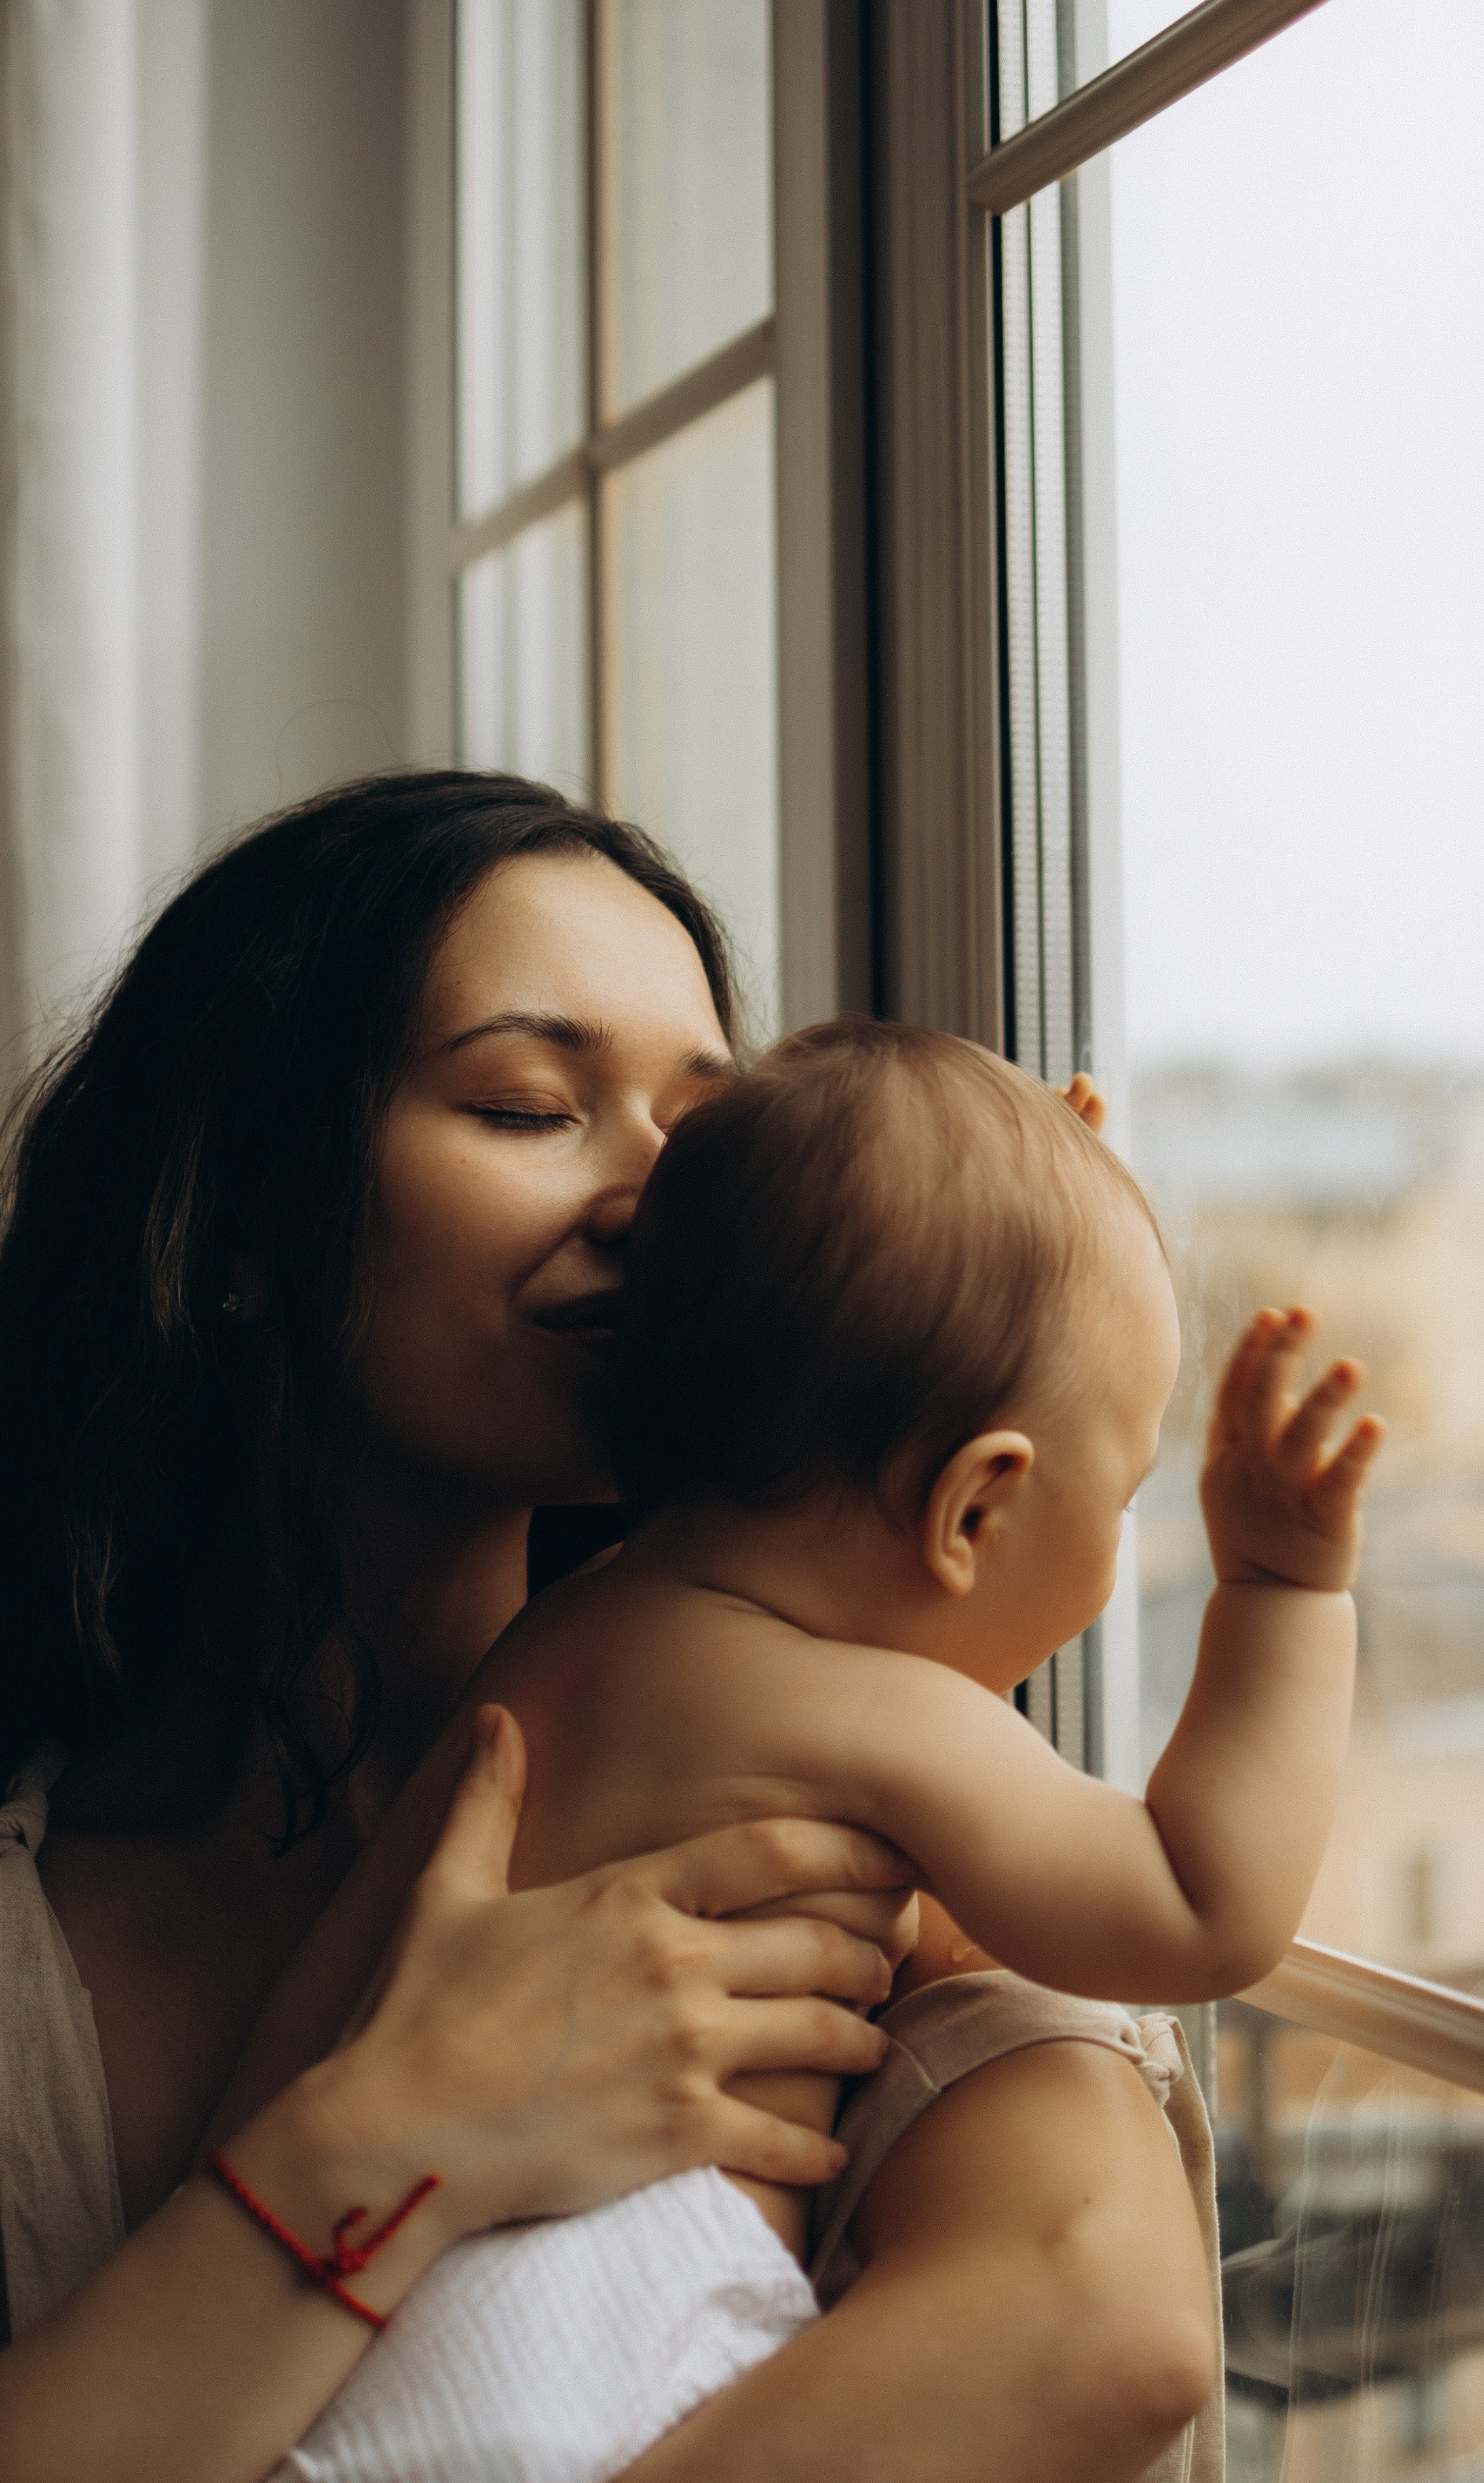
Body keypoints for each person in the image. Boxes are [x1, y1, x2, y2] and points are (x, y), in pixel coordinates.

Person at [0, 774, 1221, 2483]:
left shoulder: (849, 1808)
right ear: (238, 1225)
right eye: (524, 1107)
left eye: (710, 1133)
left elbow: (1108, 2328)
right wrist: (396, 2130)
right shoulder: (30, 1957)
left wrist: (1042, 1286)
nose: (657, 1200)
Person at [224, 1020, 1379, 2483]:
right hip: (584, 2374)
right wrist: (1282, 1593)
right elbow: (1197, 1903)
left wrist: (1012, 1216)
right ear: (972, 1511)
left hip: (350, 2347)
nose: (1122, 1544)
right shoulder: (860, 1710)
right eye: (1130, 1488)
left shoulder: (554, 1650)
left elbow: (313, 2040)